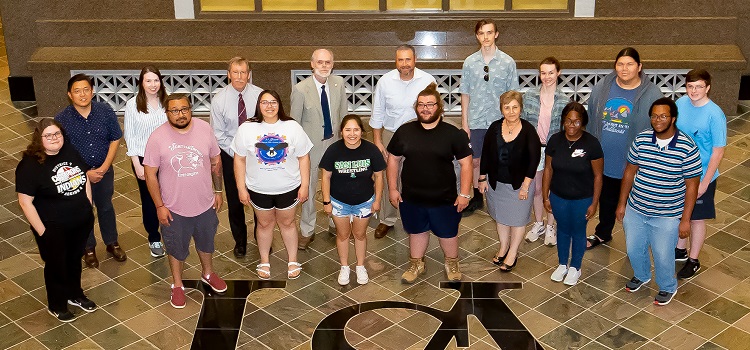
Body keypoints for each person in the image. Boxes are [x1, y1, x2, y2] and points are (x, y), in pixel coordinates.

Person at [143, 94, 228, 308]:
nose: (180, 114)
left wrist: (218, 191)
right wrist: (160, 206)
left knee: (207, 242)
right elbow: (150, 174)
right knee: (176, 248)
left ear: (190, 109)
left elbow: (215, 161)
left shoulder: (204, 129)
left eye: (184, 109)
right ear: (167, 113)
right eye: (175, 110)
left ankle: (208, 273)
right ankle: (178, 285)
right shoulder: (157, 137)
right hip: (173, 208)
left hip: (204, 203)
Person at [617, 97, 701, 306]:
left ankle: (667, 286)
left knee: (663, 255)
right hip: (636, 208)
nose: (658, 120)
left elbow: (692, 186)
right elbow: (629, 172)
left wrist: (685, 220)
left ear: (673, 118)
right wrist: (622, 203)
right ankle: (642, 275)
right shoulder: (642, 139)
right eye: (654, 116)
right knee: (633, 249)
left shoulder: (687, 147)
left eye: (663, 116)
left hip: (667, 214)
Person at [387, 83, 473, 283]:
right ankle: (417, 263)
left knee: (448, 234)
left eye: (430, 104)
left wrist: (465, 194)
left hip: (445, 199)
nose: (425, 108)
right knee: (416, 232)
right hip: (412, 197)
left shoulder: (453, 133)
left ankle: (452, 263)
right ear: (416, 107)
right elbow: (393, 159)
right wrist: (392, 189)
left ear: (439, 107)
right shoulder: (404, 131)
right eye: (421, 105)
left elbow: (466, 164)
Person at [16, 118, 98, 322]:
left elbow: (84, 177)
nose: (54, 139)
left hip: (80, 222)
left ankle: (75, 294)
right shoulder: (30, 165)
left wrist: (88, 206)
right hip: (52, 228)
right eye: (48, 136)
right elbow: (25, 202)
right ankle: (57, 304)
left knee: (73, 260)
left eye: (57, 134)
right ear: (39, 139)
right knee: (56, 265)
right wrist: (43, 232)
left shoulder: (70, 150)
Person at [587, 47, 662, 250]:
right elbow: (592, 117)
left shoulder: (652, 94)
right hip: (605, 158)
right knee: (607, 199)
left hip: (635, 162)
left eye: (629, 64)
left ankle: (637, 242)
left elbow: (660, 126)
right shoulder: (603, 87)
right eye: (620, 64)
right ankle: (603, 232)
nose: (624, 68)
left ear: (639, 66)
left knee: (635, 205)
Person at [233, 90, 313, 280]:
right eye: (264, 102)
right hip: (259, 188)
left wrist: (305, 185)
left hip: (288, 187)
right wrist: (241, 188)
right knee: (264, 223)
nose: (269, 106)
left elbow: (304, 157)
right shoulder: (247, 128)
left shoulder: (292, 127)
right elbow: (239, 160)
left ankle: (292, 259)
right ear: (258, 106)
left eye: (273, 102)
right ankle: (264, 260)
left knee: (287, 223)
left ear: (279, 104)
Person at [55, 73, 126, 268]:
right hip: (77, 175)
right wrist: (85, 172)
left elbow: (115, 138)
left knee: (105, 206)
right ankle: (88, 248)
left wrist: (103, 168)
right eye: (77, 91)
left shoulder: (105, 111)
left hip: (104, 170)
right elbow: (62, 151)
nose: (83, 94)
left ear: (92, 91)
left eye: (86, 89)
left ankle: (112, 243)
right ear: (70, 95)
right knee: (83, 211)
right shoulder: (61, 119)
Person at [369, 44, 436, 239]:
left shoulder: (428, 80)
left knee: (418, 177)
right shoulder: (385, 82)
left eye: (408, 59)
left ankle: (418, 216)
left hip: (420, 135)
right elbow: (378, 113)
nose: (405, 64)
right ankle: (386, 219)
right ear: (395, 61)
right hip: (392, 134)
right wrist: (377, 141)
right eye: (401, 60)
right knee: (390, 177)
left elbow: (434, 110)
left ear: (415, 60)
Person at [459, 18, 519, 216]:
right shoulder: (469, 62)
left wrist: (512, 123)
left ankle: (496, 195)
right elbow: (465, 94)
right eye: (481, 33)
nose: (486, 37)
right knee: (475, 161)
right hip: (476, 120)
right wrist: (465, 124)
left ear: (496, 34)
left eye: (489, 32)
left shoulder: (508, 62)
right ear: (477, 36)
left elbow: (513, 95)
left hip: (498, 121)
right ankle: (477, 196)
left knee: (498, 159)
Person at [291, 48, 348, 250]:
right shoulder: (300, 89)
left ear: (333, 64)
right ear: (312, 64)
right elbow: (295, 124)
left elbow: (343, 113)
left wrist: (345, 141)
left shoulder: (338, 83)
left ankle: (336, 223)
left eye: (328, 62)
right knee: (309, 186)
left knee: (336, 185)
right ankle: (307, 229)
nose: (324, 66)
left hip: (334, 143)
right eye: (320, 62)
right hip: (310, 147)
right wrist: (298, 153)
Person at [478, 91, 541, 272]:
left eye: (515, 107)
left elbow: (533, 160)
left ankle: (513, 252)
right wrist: (482, 178)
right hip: (497, 183)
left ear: (521, 109)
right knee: (501, 217)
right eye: (507, 107)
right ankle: (504, 247)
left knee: (518, 220)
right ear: (501, 109)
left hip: (520, 185)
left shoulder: (529, 130)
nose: (511, 111)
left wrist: (526, 186)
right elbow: (486, 154)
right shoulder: (494, 128)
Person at [320, 115, 385, 285]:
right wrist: (327, 201)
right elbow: (325, 176)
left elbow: (379, 176)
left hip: (364, 202)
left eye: (356, 129)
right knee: (342, 235)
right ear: (341, 132)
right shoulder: (333, 150)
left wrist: (377, 200)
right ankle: (344, 267)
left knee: (360, 234)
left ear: (362, 132)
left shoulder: (371, 150)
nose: (352, 134)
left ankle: (360, 266)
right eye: (348, 130)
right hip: (339, 202)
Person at [542, 102, 603, 286]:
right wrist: (545, 195)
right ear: (563, 121)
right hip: (558, 196)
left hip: (582, 198)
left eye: (576, 122)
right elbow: (548, 169)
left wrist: (594, 202)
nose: (571, 125)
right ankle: (562, 264)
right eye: (568, 121)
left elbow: (598, 176)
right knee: (562, 229)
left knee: (577, 231)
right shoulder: (555, 140)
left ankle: (575, 267)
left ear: (583, 122)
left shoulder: (591, 144)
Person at [674, 69, 726, 279]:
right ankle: (679, 250)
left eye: (699, 87)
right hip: (679, 171)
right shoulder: (681, 104)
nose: (694, 91)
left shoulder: (715, 114)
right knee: (680, 212)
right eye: (690, 86)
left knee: (696, 219)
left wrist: (705, 182)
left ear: (708, 88)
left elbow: (718, 151)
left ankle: (693, 260)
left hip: (702, 175)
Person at [211, 56, 263, 259]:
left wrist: (252, 153)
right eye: (235, 72)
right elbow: (219, 135)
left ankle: (262, 237)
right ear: (228, 74)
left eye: (243, 73)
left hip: (257, 156)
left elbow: (265, 125)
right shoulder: (219, 100)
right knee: (235, 201)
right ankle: (240, 241)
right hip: (230, 155)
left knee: (260, 198)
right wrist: (238, 155)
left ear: (249, 74)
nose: (240, 77)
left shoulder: (260, 95)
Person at [522, 57, 570, 245]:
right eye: (543, 73)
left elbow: (567, 129)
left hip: (554, 150)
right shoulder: (530, 95)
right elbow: (524, 123)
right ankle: (538, 222)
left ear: (558, 73)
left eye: (551, 72)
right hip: (535, 149)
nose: (547, 77)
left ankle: (551, 225)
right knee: (535, 189)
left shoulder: (565, 100)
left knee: (551, 189)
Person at [124, 66, 168, 258]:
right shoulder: (133, 105)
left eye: (156, 80)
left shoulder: (168, 101)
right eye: (148, 81)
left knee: (171, 197)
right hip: (144, 159)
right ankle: (154, 237)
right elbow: (130, 136)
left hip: (168, 157)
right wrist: (136, 162)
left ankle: (172, 233)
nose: (152, 85)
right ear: (141, 83)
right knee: (150, 200)